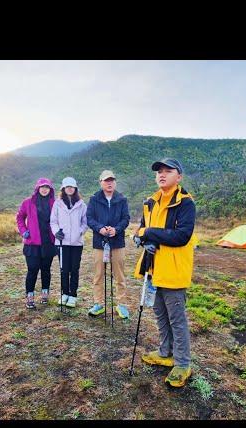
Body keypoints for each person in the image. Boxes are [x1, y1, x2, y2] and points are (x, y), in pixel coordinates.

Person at [133, 158, 196, 388]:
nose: (162, 174)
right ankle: (165, 352)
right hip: (154, 268)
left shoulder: (185, 203)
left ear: (178, 176)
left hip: (174, 270)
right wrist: (141, 239)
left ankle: (182, 364)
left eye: (168, 171)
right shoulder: (150, 202)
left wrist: (150, 233)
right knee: (160, 314)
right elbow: (140, 229)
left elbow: (181, 236)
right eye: (159, 171)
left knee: (177, 319)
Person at [86, 170, 131, 320]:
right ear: (101, 182)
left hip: (117, 243)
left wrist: (116, 230)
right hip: (100, 243)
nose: (109, 183)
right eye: (106, 180)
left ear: (115, 182)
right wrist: (100, 228)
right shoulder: (94, 199)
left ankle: (121, 304)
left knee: (119, 275)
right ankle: (98, 303)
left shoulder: (122, 199)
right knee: (98, 274)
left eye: (112, 180)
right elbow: (89, 218)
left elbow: (126, 218)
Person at [16, 178, 57, 309]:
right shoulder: (28, 202)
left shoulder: (55, 203)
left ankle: (45, 294)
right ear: (37, 188)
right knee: (32, 270)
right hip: (32, 243)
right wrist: (23, 231)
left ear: (50, 189)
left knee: (46, 270)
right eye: (42, 187)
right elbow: (20, 217)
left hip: (49, 242)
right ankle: (30, 297)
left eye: (47, 187)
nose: (44, 189)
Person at [50, 177, 88, 307]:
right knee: (64, 269)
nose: (69, 189)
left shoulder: (82, 204)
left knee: (74, 269)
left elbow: (85, 222)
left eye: (71, 187)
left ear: (75, 188)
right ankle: (64, 293)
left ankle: (73, 295)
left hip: (77, 243)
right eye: (67, 187)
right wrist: (56, 232)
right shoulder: (57, 203)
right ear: (63, 189)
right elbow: (53, 221)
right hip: (62, 242)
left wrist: (80, 232)